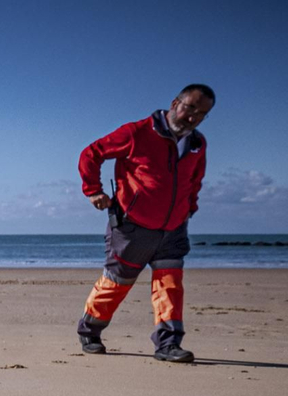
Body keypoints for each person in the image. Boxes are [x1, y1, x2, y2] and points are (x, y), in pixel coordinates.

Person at [76, 84, 215, 363]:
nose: (193, 117)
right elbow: (91, 153)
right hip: (132, 225)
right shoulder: (137, 132)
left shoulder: (197, 143)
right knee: (117, 283)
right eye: (190, 108)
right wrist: (93, 190)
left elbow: (195, 179)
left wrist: (190, 208)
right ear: (175, 102)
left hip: (174, 228)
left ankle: (168, 344)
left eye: (202, 114)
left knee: (169, 285)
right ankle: (90, 331)